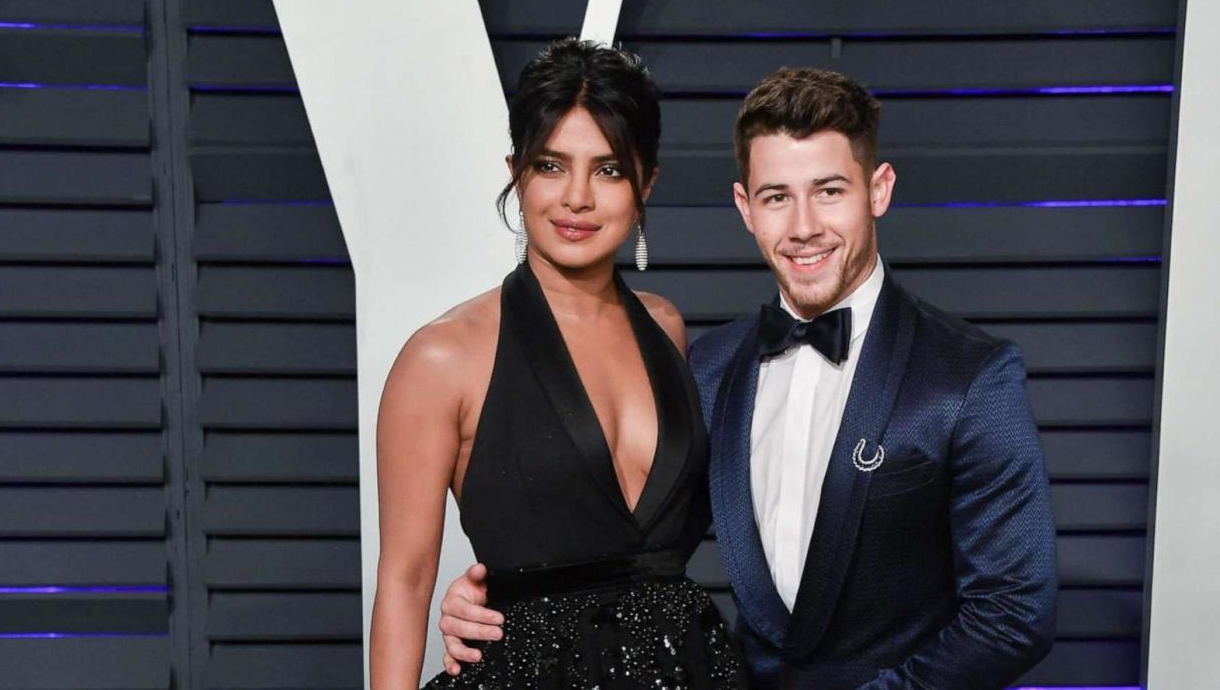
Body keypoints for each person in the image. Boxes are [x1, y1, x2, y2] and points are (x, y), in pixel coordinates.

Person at [437, 67, 1058, 689]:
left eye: (830, 191)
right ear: (745, 208)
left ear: (879, 189)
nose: (804, 225)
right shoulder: (709, 369)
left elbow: (1013, 617)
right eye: (777, 197)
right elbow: (632, 547)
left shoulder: (971, 377)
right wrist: (504, 599)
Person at [368, 38, 747, 689]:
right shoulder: (441, 359)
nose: (576, 197)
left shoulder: (665, 327)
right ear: (516, 171)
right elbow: (403, 583)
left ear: (645, 182)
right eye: (551, 165)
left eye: (607, 169)